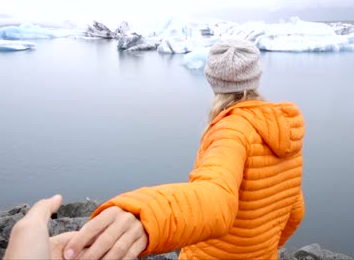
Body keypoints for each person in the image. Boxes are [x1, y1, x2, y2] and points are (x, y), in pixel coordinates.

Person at [62, 37, 306, 260]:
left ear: (214, 79)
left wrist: (149, 216)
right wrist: (266, 248)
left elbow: (216, 196)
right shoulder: (284, 129)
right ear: (255, 77)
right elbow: (295, 211)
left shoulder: (231, 130)